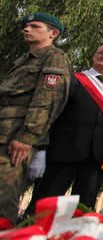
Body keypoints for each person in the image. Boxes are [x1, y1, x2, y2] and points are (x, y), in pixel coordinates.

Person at [28, 44, 103, 211]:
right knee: (45, 203)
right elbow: (52, 115)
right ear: (93, 56)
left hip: (97, 158)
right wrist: (41, 149)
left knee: (84, 208)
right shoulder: (71, 79)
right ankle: (32, 235)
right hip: (63, 152)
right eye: (101, 53)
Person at [0, 13, 70, 221]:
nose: (27, 29)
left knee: (4, 196)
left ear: (53, 33)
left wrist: (27, 136)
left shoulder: (54, 57)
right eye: (26, 26)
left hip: (16, 135)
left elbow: (47, 99)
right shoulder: (22, 60)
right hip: (3, 130)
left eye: (35, 26)